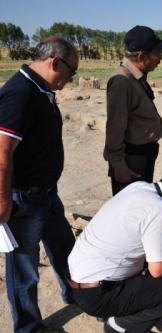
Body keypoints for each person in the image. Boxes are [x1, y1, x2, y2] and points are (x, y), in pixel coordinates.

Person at [67, 163, 162, 333]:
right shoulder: (160, 209)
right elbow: (158, 270)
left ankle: (115, 310)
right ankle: (120, 326)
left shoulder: (139, 187)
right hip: (96, 296)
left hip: (77, 278)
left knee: (157, 263)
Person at [0, 36, 79, 333]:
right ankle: (28, 328)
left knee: (65, 251)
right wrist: (3, 200)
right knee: (24, 271)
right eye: (71, 73)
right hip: (23, 200)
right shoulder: (19, 93)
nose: (71, 80)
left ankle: (77, 295)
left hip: (47, 195)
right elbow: (2, 151)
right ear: (55, 63)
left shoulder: (40, 88)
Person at [104, 25, 162, 195]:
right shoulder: (122, 81)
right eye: (157, 52)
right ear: (141, 56)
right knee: (129, 208)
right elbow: (115, 128)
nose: (160, 57)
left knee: (140, 202)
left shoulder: (136, 77)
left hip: (142, 154)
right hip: (132, 159)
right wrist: (119, 165)